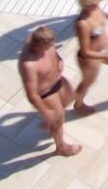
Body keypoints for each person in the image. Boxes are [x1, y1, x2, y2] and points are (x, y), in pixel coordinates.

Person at [18, 27, 81, 157]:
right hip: (46, 94)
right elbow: (32, 95)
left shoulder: (43, 42)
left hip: (58, 82)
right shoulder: (29, 65)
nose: (53, 46)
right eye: (49, 45)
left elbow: (52, 51)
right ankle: (61, 147)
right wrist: (45, 112)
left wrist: (59, 60)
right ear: (38, 46)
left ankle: (52, 127)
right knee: (58, 118)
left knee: (70, 98)